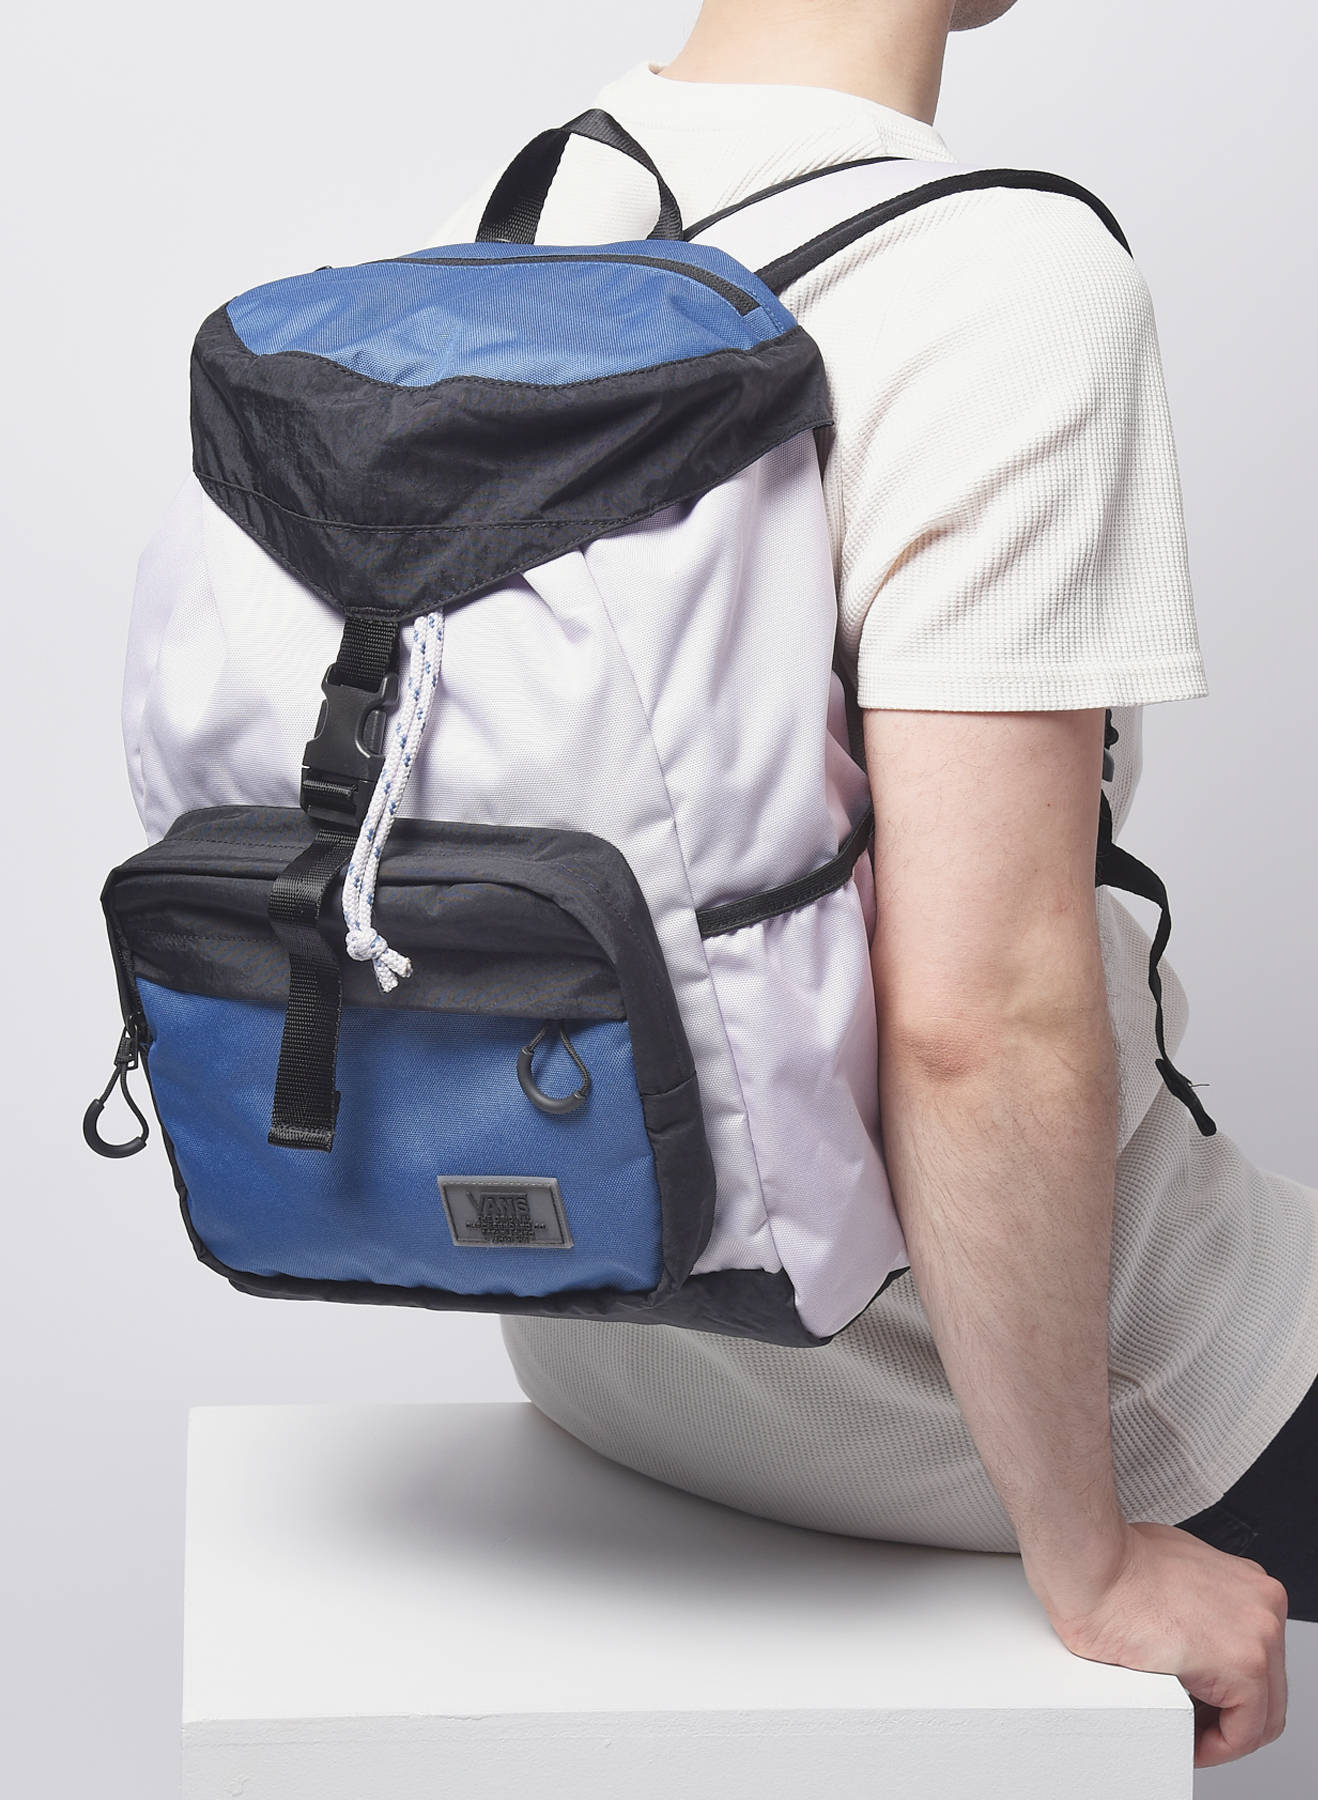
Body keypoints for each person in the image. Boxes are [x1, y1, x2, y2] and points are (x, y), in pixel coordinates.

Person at [426, 0, 1316, 1767]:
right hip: (997, 1405)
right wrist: (1090, 1559)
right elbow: (976, 1012)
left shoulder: (536, 220)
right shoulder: (999, 272)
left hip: (618, 1357)